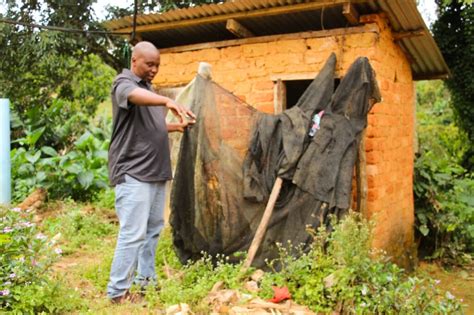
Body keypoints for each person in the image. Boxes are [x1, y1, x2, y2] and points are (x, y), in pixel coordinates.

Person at [106, 41, 195, 303]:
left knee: (154, 227)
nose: (154, 69)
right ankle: (117, 293)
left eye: (157, 65)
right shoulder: (124, 83)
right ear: (135, 60)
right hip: (133, 171)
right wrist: (168, 100)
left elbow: (149, 127)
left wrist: (175, 128)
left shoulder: (147, 88)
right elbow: (132, 96)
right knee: (133, 233)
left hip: (155, 171)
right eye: (149, 64)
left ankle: (145, 282)